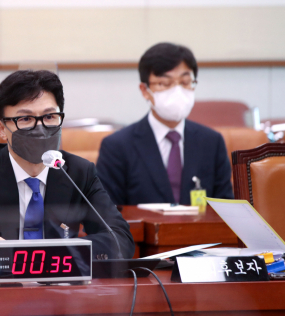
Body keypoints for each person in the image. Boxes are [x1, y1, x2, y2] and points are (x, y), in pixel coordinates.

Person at [0, 70, 134, 267]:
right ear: (1, 129)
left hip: (60, 289)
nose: (40, 128)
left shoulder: (78, 172)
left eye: (49, 117)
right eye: (26, 119)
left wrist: (56, 254)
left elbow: (120, 239)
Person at [97, 43, 234, 206]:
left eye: (185, 82)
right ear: (144, 90)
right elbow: (106, 212)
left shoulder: (212, 142)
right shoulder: (117, 146)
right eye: (164, 84)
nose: (177, 91)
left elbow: (225, 208)